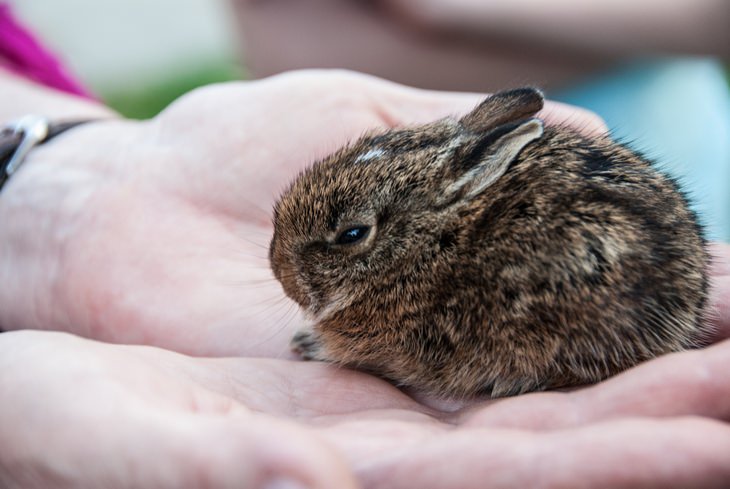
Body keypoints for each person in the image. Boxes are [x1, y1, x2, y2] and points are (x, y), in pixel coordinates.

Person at [2, 6, 730, 488]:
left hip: (586, 312)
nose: (288, 270)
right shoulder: (430, 187)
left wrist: (346, 339)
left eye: (347, 239)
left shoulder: (418, 270)